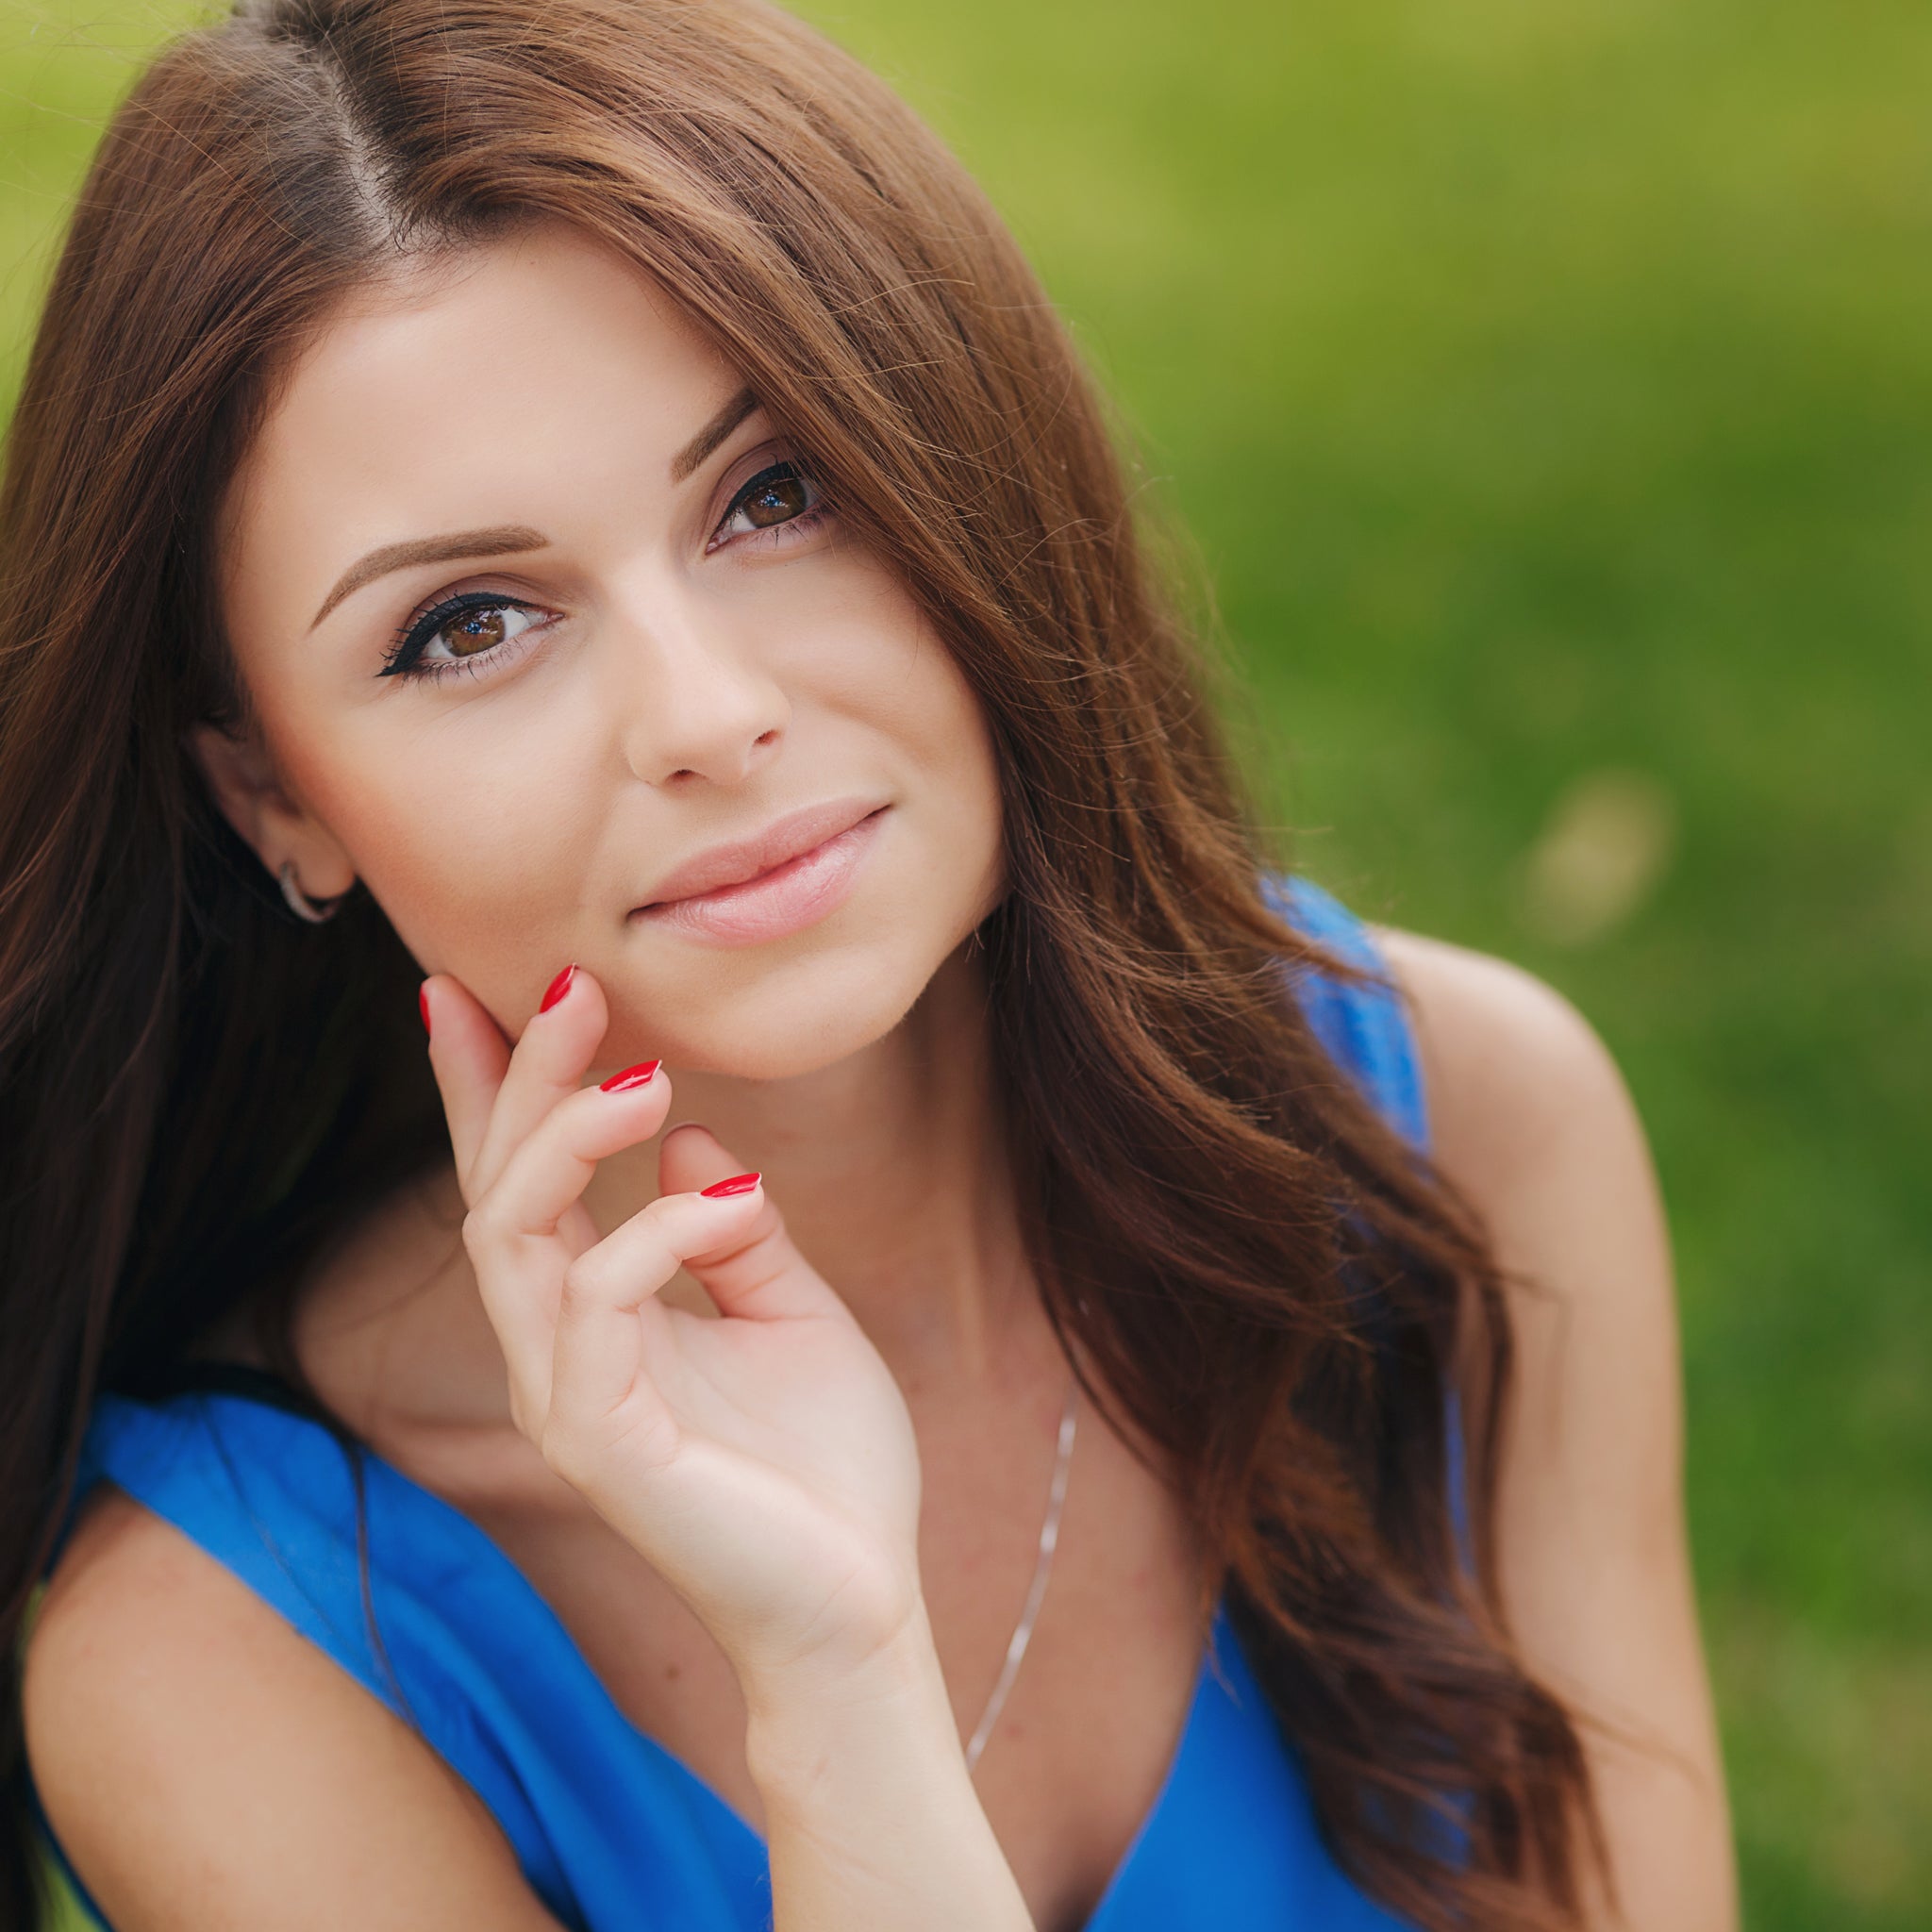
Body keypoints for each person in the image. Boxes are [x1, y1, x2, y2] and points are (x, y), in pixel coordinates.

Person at [0, 2, 1738, 1927]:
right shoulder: (223, 1653)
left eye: (775, 491)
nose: (706, 712)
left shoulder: (1465, 1137)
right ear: (274, 799)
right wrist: (835, 1676)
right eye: (468, 622)